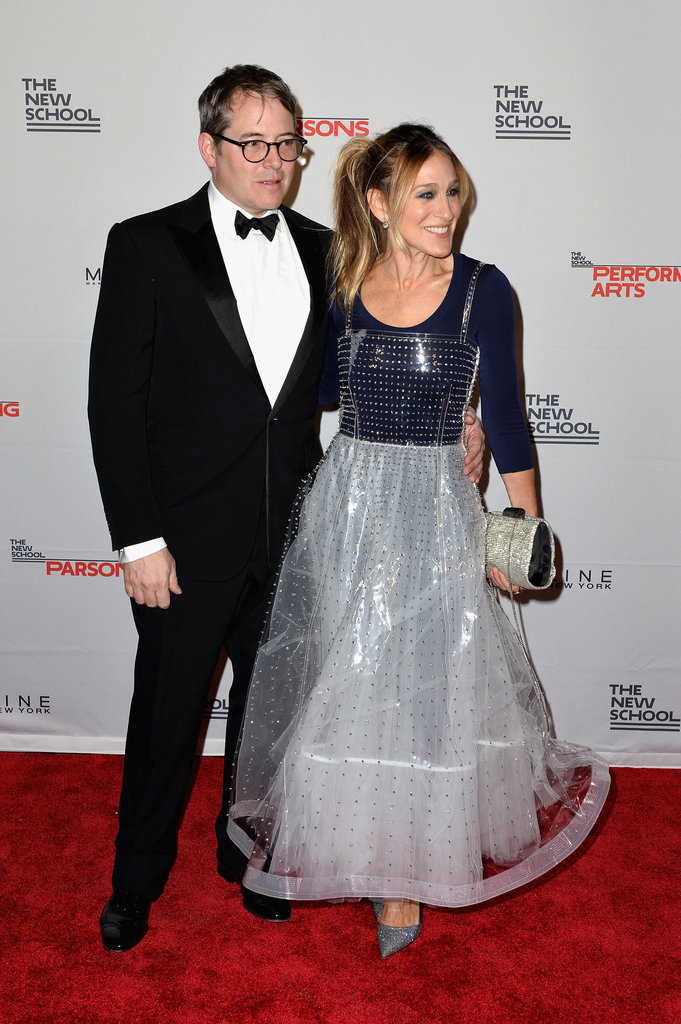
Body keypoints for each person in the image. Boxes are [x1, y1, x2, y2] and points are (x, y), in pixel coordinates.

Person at [88, 70, 485, 953]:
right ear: (209, 147)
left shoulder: (326, 250)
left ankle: (251, 862)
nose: (275, 162)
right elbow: (113, 404)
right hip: (183, 542)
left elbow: (370, 367)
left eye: (287, 144)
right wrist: (138, 539)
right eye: (254, 144)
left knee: (270, 719)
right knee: (166, 717)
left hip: (302, 534)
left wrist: (465, 419)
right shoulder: (146, 244)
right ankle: (134, 882)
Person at [228, 124, 611, 958]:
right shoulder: (344, 286)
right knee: (351, 683)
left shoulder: (481, 289)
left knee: (424, 691)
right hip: (350, 505)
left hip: (437, 509)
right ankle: (359, 848)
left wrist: (518, 530)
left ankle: (404, 874)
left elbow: (505, 415)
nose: (446, 210)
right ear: (378, 203)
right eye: (425, 194)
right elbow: (315, 392)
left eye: (452, 192)